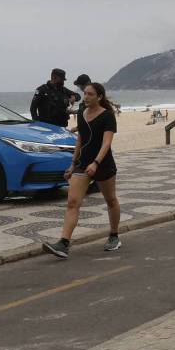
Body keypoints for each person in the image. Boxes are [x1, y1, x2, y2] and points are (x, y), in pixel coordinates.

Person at [43, 82, 121, 258]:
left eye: (90, 94)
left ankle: (114, 235)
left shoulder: (107, 116)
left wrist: (96, 163)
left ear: (99, 97)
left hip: (103, 164)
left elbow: (106, 143)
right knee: (73, 202)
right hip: (82, 163)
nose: (85, 97)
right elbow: (80, 140)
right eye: (84, 93)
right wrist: (72, 164)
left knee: (111, 200)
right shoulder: (81, 113)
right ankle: (63, 243)